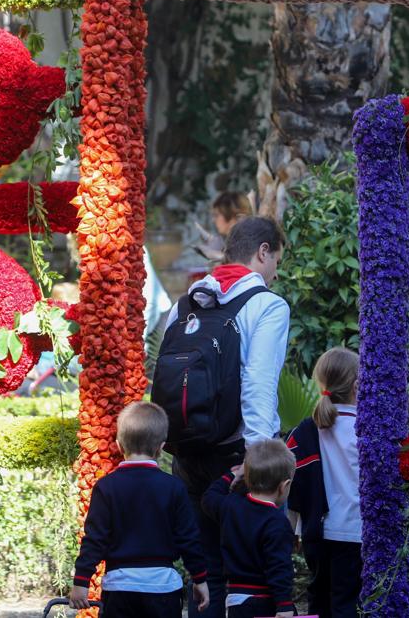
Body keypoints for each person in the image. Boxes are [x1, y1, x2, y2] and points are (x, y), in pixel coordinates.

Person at [161, 215, 291, 618]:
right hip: (236, 458)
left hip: (185, 455)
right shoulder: (266, 306)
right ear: (263, 252)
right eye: (276, 263)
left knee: (203, 575)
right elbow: (258, 384)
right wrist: (256, 459)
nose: (274, 275)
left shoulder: (184, 305)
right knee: (252, 576)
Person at [69, 402, 211, 617]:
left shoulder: (106, 487)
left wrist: (81, 580)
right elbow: (188, 539)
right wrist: (200, 578)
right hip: (163, 588)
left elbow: (95, 538)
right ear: (161, 447)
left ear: (118, 445)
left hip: (119, 588)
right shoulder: (173, 487)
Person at [286, 348, 362, 618]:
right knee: (347, 603)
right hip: (356, 533)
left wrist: (292, 529)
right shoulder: (366, 431)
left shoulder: (304, 431)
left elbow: (289, 482)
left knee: (318, 600)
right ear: (357, 386)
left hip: (316, 534)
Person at [202, 440, 297, 618]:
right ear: (284, 486)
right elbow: (279, 566)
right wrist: (284, 604)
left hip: (236, 599)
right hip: (264, 601)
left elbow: (209, 497)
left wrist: (232, 474)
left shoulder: (230, 506)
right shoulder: (277, 521)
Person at [195, 191, 254, 262]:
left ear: (233, 215)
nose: (213, 220)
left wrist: (222, 257)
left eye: (216, 215)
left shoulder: (250, 241)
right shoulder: (229, 242)